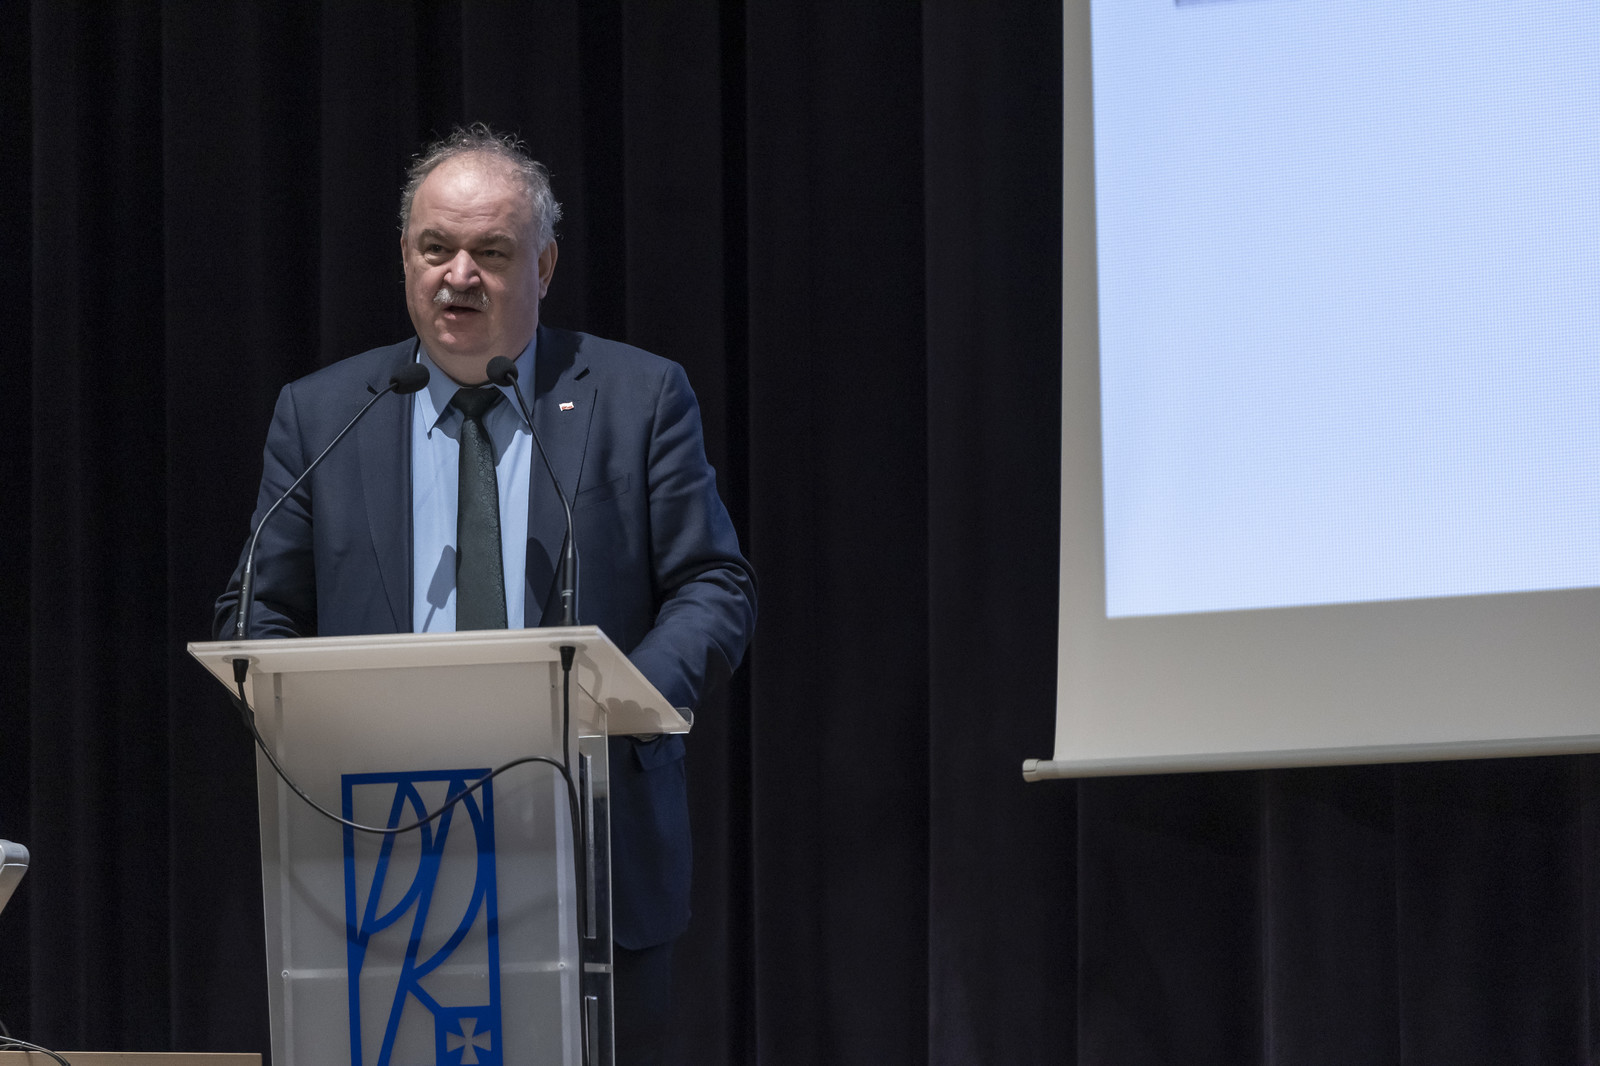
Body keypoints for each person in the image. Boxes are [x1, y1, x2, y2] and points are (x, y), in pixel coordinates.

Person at [215, 124, 756, 1064]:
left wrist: (617, 701)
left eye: (491, 253)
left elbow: (713, 585)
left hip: (590, 838)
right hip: (381, 843)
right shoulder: (325, 413)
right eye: (436, 248)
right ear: (405, 256)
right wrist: (330, 724)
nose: (457, 276)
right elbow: (256, 616)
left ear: (543, 266)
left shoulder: (637, 397)